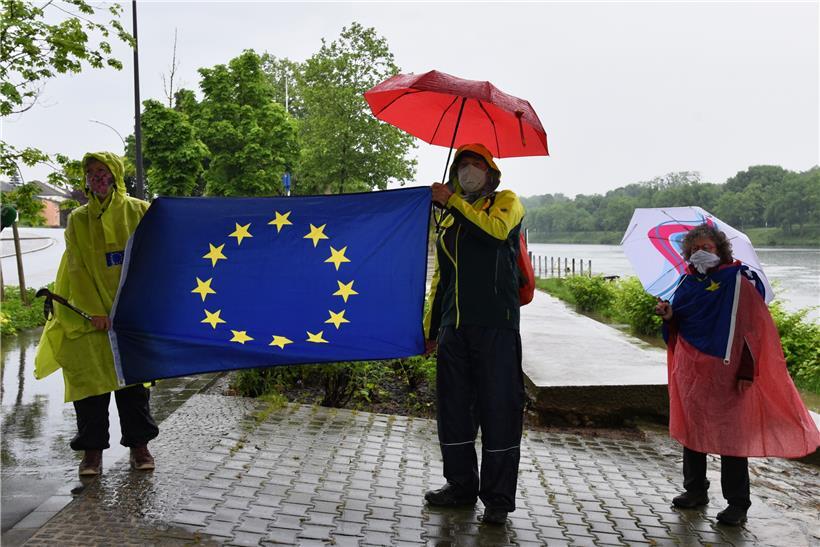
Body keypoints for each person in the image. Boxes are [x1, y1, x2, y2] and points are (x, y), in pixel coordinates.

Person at [654, 223, 819, 526]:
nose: (700, 253)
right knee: (692, 430)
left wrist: (746, 370)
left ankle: (738, 504)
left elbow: (752, 331)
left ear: (720, 249)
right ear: (687, 253)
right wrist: (669, 316)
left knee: (732, 437)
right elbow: (680, 324)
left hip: (728, 372)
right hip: (691, 370)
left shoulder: (738, 281)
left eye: (707, 248)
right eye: (694, 249)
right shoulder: (686, 283)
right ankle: (695, 490)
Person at [35, 152, 159, 476]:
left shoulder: (138, 211)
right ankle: (92, 454)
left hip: (130, 318)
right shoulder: (77, 219)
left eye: (102, 171)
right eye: (90, 172)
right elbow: (77, 269)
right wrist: (94, 312)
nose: (96, 177)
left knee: (132, 387)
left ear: (115, 174)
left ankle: (139, 447)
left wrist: (131, 308)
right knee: (89, 387)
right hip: (91, 320)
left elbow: (152, 260)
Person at [423, 143, 526, 525]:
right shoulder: (449, 218)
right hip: (454, 326)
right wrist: (431, 329)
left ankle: (498, 499)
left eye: (475, 164)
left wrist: (453, 202)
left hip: (495, 325)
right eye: (462, 165)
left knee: (499, 409)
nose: (468, 170)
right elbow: (442, 278)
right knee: (454, 410)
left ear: (491, 171)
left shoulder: (506, 201)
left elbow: (497, 233)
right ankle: (461, 485)